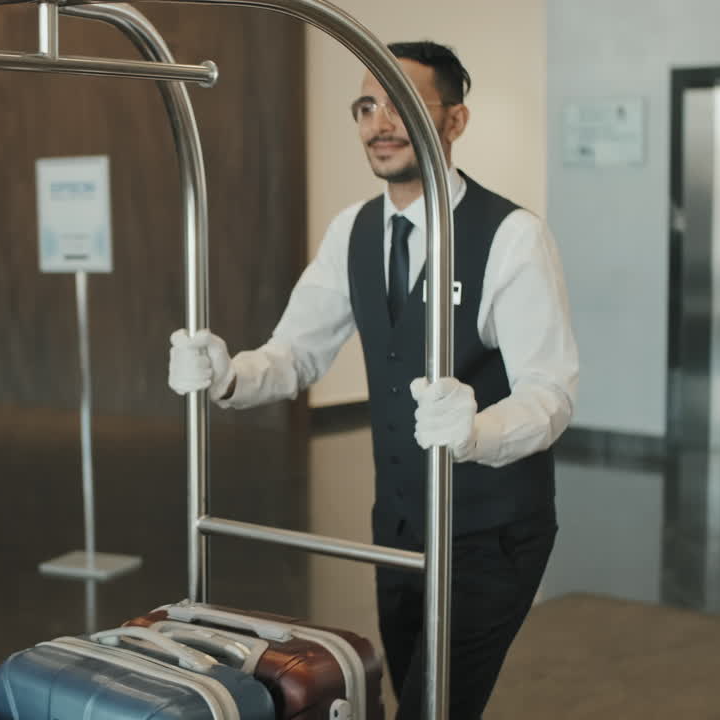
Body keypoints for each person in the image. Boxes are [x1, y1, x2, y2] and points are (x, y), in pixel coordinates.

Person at [167, 41, 578, 719]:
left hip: (491, 530)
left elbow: (551, 393)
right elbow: (296, 354)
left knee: (435, 704)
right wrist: (226, 374)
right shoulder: (352, 231)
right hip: (397, 525)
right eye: (366, 107)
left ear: (456, 121)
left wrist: (476, 431)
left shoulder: (511, 237)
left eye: (403, 105)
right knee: (404, 691)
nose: (380, 123)